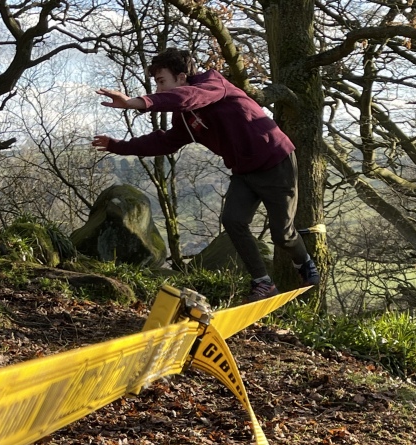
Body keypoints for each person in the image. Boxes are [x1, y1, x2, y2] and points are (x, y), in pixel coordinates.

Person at [92, 47, 320, 302]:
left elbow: (188, 98)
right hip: (244, 171)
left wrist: (139, 102)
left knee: (282, 234)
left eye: (161, 81)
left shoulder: (214, 84)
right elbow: (165, 142)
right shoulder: (185, 118)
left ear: (181, 77)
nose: (157, 89)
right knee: (233, 220)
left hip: (276, 161)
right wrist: (117, 146)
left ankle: (305, 263)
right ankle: (262, 282)